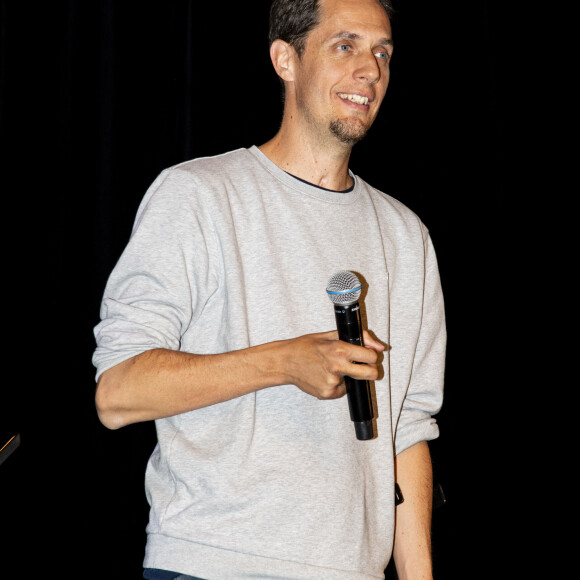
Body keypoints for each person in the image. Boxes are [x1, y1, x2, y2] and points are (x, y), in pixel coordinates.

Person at [92, 0, 446, 578]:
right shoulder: (199, 196)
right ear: (286, 58)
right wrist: (284, 362)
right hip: (212, 562)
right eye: (345, 46)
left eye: (382, 52)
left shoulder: (406, 237)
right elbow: (118, 393)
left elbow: (407, 432)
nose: (371, 70)